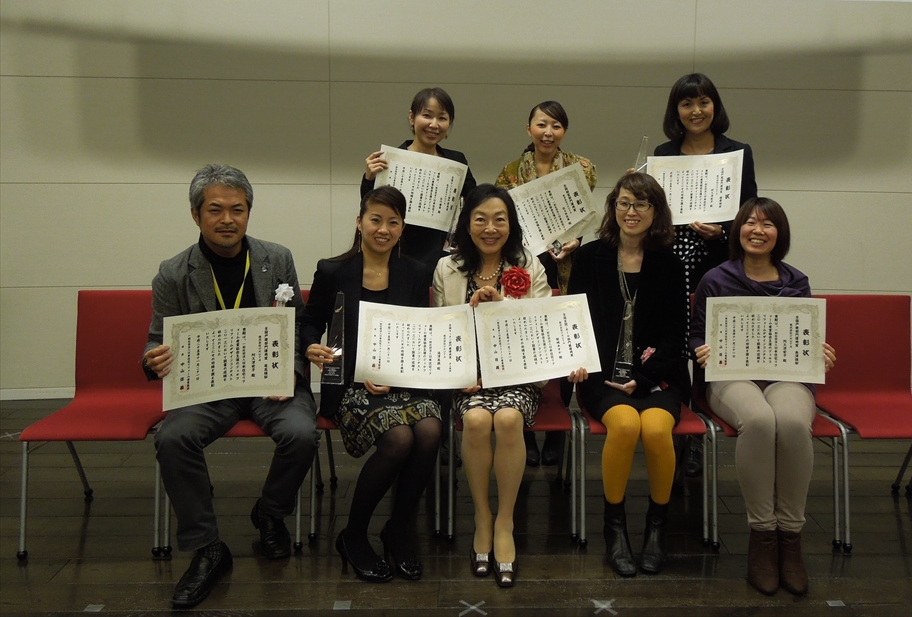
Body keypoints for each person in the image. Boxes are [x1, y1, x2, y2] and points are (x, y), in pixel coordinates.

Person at [142, 164, 317, 609]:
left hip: (270, 382)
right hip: (209, 389)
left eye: (237, 209)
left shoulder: (276, 258)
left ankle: (271, 513)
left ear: (248, 212)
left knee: (301, 433)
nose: (227, 219)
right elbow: (157, 339)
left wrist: (292, 375)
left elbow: (298, 326)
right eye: (215, 210)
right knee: (173, 438)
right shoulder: (173, 272)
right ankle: (207, 547)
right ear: (195, 214)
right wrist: (152, 359)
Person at [432, 184, 588, 588]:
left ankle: (505, 521)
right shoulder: (447, 268)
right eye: (481, 219)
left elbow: (540, 327)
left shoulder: (529, 265)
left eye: (499, 219)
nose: (490, 228)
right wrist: (465, 374)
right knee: (477, 421)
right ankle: (482, 516)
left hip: (518, 374)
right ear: (467, 224)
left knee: (507, 418)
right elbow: (443, 332)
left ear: (511, 224)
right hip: (468, 378)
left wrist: (502, 305)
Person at [690, 197, 837, 597]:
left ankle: (790, 536)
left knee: (791, 422)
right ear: (738, 229)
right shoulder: (715, 279)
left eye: (767, 224)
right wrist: (700, 349)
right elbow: (697, 334)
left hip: (786, 376)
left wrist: (820, 351)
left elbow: (805, 335)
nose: (758, 230)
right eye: (750, 222)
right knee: (758, 420)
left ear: (779, 234)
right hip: (731, 376)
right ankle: (762, 535)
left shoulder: (797, 281)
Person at [299, 186, 437, 583]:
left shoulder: (415, 272)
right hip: (349, 384)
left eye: (393, 222)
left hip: (401, 381)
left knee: (430, 429)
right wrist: (310, 345)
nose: (383, 229)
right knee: (399, 438)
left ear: (402, 228)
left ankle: (398, 529)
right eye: (375, 220)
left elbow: (419, 333)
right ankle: (354, 535)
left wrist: (394, 375)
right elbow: (310, 321)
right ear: (359, 222)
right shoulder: (332, 270)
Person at [568, 172, 689, 577]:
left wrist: (645, 377)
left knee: (655, 430)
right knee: (623, 425)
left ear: (656, 211)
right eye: (623, 203)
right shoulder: (590, 257)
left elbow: (676, 334)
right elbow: (574, 318)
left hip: (658, 377)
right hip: (602, 376)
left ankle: (657, 527)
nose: (630, 211)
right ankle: (614, 527)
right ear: (613, 207)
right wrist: (580, 362)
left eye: (640, 204)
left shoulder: (670, 263)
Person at [653, 73, 758, 481]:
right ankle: (680, 428)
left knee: (708, 344)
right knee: (674, 342)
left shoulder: (738, 152)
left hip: (716, 262)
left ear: (715, 106)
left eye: (703, 102)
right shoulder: (664, 154)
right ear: (676, 111)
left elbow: (751, 212)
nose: (696, 111)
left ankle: (701, 429)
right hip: (671, 261)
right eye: (687, 104)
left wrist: (724, 231)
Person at [495, 100, 597, 467]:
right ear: (529, 129)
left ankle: (556, 432)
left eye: (556, 125)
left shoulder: (581, 168)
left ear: (564, 130)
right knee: (525, 339)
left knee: (563, 340)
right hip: (524, 265)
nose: (548, 132)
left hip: (568, 264)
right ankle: (526, 428)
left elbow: (583, 216)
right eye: (541, 125)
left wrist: (576, 240)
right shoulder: (510, 172)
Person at [362, 87, 477, 273]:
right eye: (427, 115)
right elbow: (370, 208)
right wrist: (369, 178)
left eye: (442, 118)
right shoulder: (390, 160)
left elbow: (475, 201)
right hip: (397, 256)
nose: (434, 124)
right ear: (411, 117)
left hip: (441, 260)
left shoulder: (456, 162)